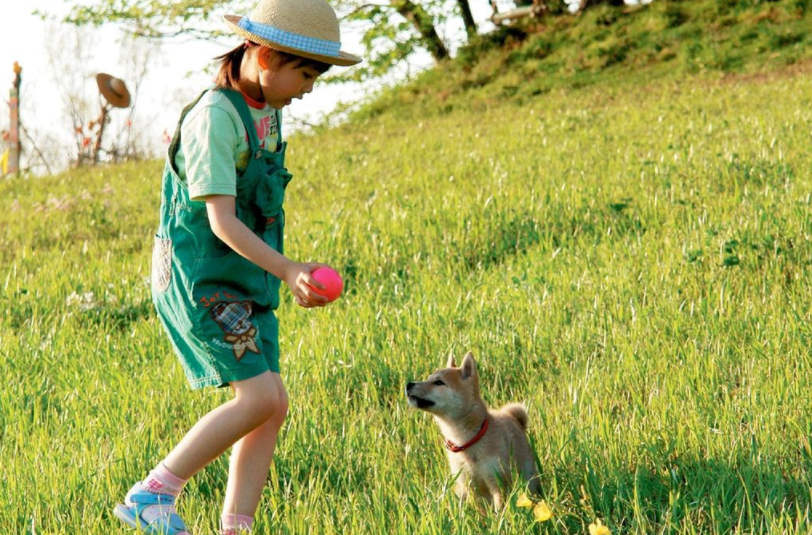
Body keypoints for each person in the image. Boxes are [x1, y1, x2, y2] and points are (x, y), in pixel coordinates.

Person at [113, 0, 361, 533]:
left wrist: (279, 271)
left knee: (272, 405)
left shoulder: (265, 112)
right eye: (306, 73)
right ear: (266, 57)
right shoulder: (214, 118)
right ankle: (152, 495)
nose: (311, 87)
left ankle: (238, 525)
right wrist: (289, 268)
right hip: (201, 281)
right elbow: (222, 221)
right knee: (260, 396)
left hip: (244, 281)